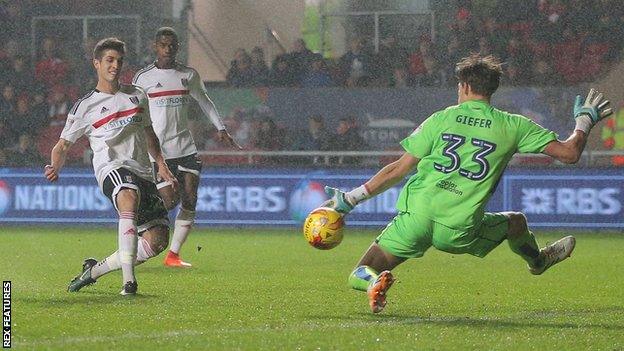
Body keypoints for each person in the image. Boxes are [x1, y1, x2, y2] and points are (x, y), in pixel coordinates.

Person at [322, 54, 612, 313]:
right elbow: (570, 153)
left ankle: (373, 283)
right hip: (458, 228)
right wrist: (584, 122)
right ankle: (538, 262)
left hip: (417, 218)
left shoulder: (441, 118)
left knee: (360, 270)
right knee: (516, 222)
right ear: (491, 89)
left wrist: (350, 200)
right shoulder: (513, 125)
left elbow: (398, 169)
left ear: (464, 87)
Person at [44, 37, 178, 295]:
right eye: (109, 60)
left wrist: (160, 163)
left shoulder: (137, 96)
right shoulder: (85, 106)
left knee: (157, 240)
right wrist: (54, 167)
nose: (115, 65)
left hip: (142, 171)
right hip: (111, 167)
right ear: (97, 64)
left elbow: (149, 133)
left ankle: (93, 271)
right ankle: (129, 282)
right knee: (128, 195)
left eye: (119, 60)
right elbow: (62, 146)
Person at [132, 27, 240, 267]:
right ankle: (140, 228)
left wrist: (221, 128)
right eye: (163, 45)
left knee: (190, 198)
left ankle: (173, 255)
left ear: (178, 47)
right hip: (159, 152)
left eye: (172, 45)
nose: (168, 49)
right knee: (169, 201)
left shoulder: (188, 75)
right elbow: (133, 111)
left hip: (186, 147)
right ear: (155, 47)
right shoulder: (143, 78)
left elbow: (205, 101)